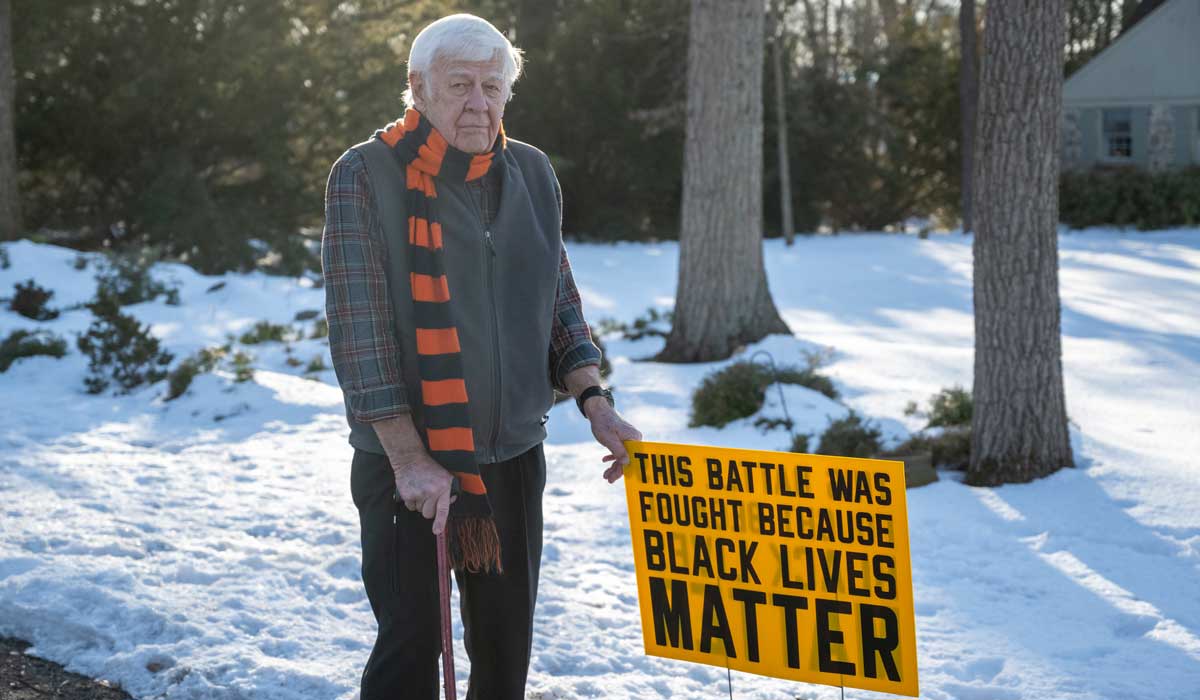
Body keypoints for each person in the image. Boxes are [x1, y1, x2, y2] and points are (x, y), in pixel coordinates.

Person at [320, 13, 642, 700]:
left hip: (513, 457)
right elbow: (360, 333)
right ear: (417, 86)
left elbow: (557, 298)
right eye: (460, 84)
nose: (479, 103)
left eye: (492, 87)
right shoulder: (365, 175)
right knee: (411, 648)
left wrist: (594, 398)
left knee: (504, 653)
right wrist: (409, 460)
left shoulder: (530, 170)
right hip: (408, 466)